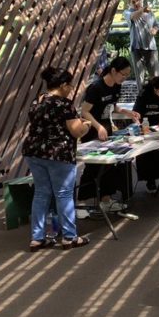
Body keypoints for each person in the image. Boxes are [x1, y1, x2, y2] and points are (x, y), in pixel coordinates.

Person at [22, 66, 92, 250]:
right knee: (64, 194)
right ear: (62, 85)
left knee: (41, 193)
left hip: (34, 152)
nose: (71, 89)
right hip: (58, 154)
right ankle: (69, 237)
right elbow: (76, 131)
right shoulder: (64, 104)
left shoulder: (37, 101)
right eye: (69, 85)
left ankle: (37, 238)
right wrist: (87, 126)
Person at [78, 56, 139, 209]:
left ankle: (106, 200)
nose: (124, 78)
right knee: (93, 166)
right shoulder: (96, 87)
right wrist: (98, 127)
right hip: (92, 131)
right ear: (113, 70)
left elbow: (114, 105)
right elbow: (84, 111)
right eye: (123, 75)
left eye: (127, 75)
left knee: (109, 164)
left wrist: (127, 112)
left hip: (107, 130)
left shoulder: (116, 86)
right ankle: (82, 202)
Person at [132, 74, 159, 194]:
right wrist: (139, 124)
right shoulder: (144, 94)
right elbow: (136, 113)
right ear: (156, 89)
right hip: (145, 126)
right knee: (147, 154)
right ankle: (150, 182)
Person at [123, 0, 159, 86]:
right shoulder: (127, 13)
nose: (136, 3)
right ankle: (141, 97)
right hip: (136, 49)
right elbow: (133, 17)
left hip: (151, 48)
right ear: (129, 4)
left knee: (156, 76)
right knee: (140, 79)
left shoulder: (149, 13)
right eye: (133, 2)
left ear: (141, 0)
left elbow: (156, 25)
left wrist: (154, 30)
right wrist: (143, 10)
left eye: (138, 0)